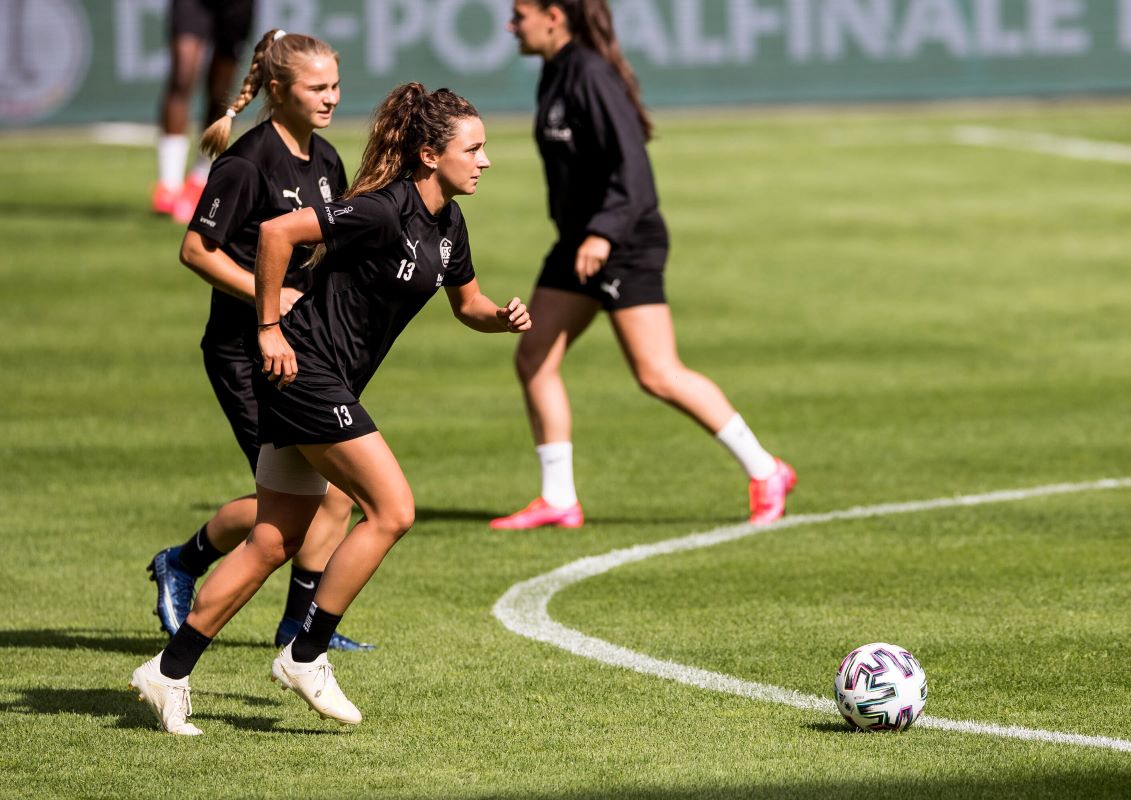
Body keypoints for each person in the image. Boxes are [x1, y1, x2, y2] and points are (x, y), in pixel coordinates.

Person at [130, 83, 532, 735]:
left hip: (321, 381)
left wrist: (502, 317)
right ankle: (306, 655)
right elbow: (279, 233)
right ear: (430, 155)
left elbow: (468, 305)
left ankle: (167, 672)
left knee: (272, 539)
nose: (485, 161)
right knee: (393, 508)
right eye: (475, 148)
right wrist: (267, 328)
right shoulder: (382, 211)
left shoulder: (448, 225)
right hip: (306, 376)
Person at [491, 0, 795, 531]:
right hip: (579, 242)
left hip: (621, 240)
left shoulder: (589, 73)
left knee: (657, 373)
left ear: (554, 16)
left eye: (520, 14)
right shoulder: (556, 72)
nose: (511, 24)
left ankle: (766, 470)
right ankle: (559, 499)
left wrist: (604, 234)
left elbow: (634, 171)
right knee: (534, 355)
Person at [146, 28, 372, 652]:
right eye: (316, 88)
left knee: (329, 497)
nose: (331, 98)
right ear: (278, 90)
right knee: (311, 502)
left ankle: (295, 626)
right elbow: (196, 250)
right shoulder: (247, 162)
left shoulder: (325, 161)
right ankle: (187, 564)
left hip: (299, 352)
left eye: (335, 86)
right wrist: (267, 299)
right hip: (244, 354)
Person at [153, 0, 256, 223]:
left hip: (237, 7)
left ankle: (200, 178)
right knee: (182, 75)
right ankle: (169, 185)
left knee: (221, 91)